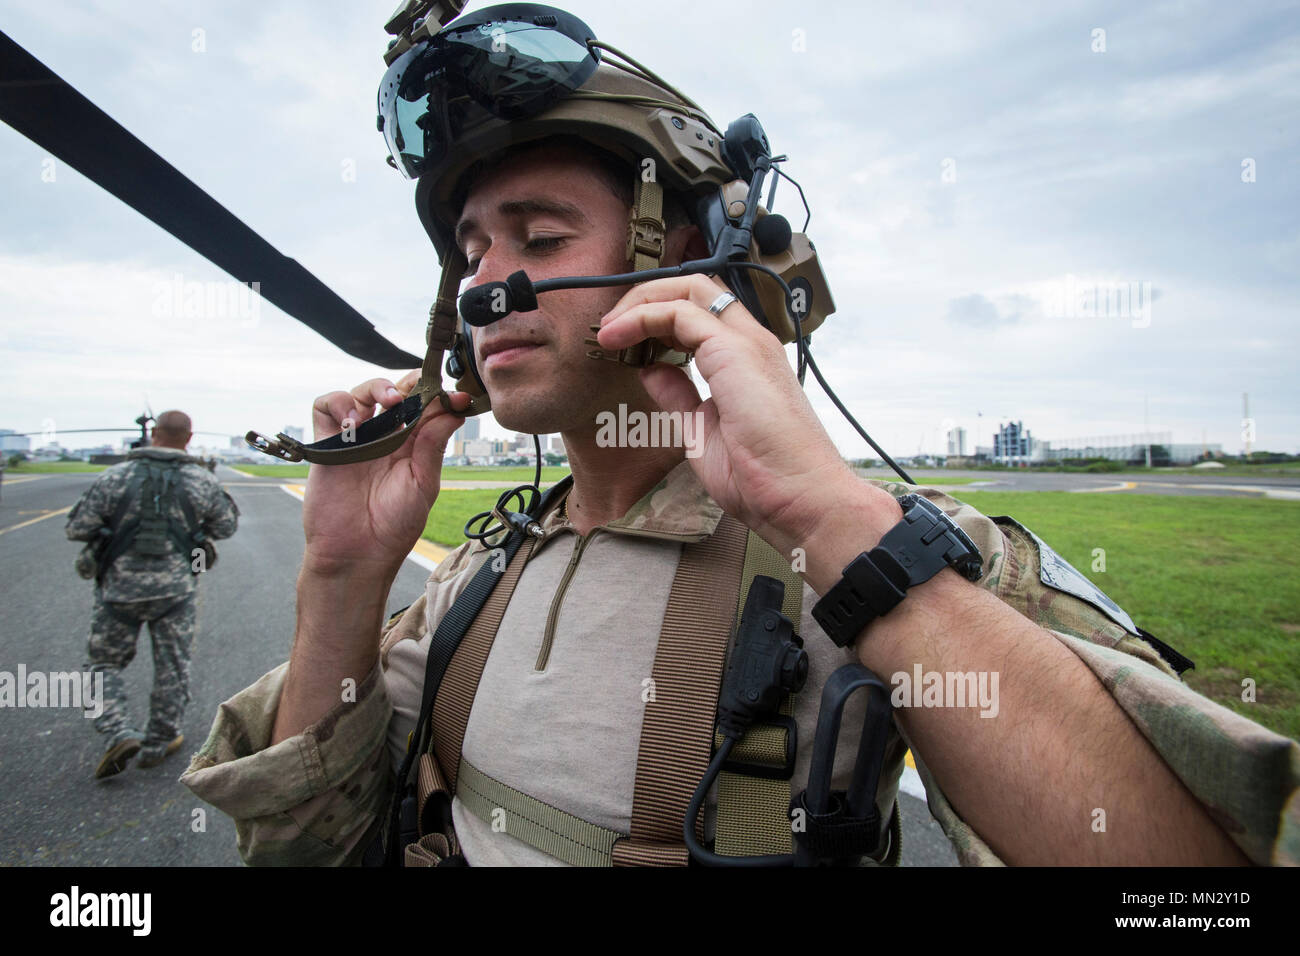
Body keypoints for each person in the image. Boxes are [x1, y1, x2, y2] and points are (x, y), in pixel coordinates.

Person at [180, 5, 1297, 866]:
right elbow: (307, 847)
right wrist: (338, 579)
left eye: (540, 233)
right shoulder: (484, 566)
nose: (484, 286)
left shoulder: (886, 561)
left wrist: (828, 518)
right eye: (470, 248)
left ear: (682, 255)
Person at [66, 410, 239, 778]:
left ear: (154, 434)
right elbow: (225, 526)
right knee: (172, 665)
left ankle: (117, 729)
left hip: (118, 591)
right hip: (176, 590)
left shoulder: (115, 476)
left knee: (102, 664)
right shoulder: (200, 479)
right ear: (189, 439)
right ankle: (162, 739)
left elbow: (78, 527)